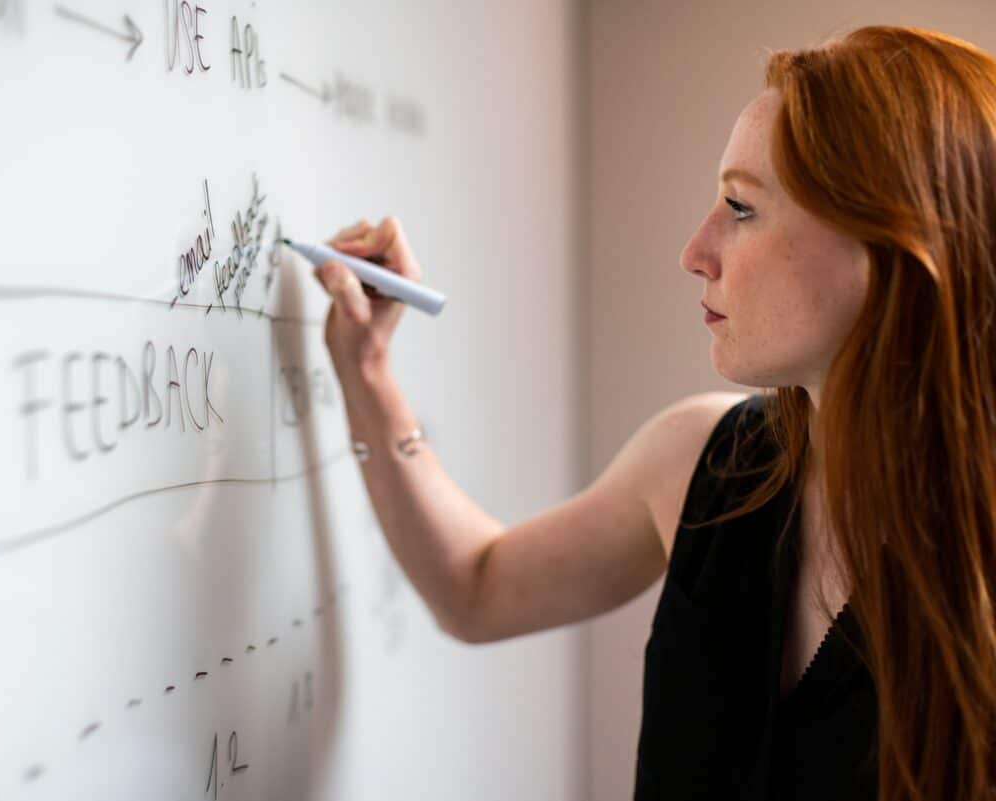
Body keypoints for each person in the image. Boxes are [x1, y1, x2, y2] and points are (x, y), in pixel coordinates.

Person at [312, 25, 996, 801]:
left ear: (889, 248)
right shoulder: (706, 462)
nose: (695, 250)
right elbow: (474, 586)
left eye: (741, 207)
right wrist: (367, 373)